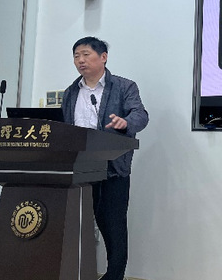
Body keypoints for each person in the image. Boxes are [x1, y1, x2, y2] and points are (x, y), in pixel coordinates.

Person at [61, 36, 149, 280]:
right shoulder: (70, 92)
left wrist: (125, 123)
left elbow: (140, 115)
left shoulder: (124, 87)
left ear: (103, 57)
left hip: (113, 167)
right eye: (76, 56)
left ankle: (114, 275)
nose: (80, 60)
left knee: (113, 224)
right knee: (80, 223)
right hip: (79, 168)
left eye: (86, 54)